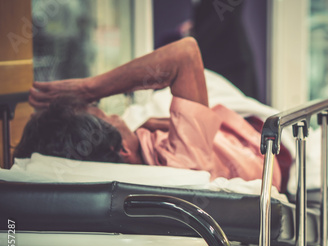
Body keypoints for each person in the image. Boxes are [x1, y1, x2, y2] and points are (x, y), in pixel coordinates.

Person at [16, 37, 283, 189]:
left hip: (233, 131)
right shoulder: (181, 164)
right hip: (269, 149)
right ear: (121, 150)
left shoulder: (138, 152)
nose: (117, 116)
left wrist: (157, 123)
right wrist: (90, 87)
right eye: (108, 116)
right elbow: (185, 53)